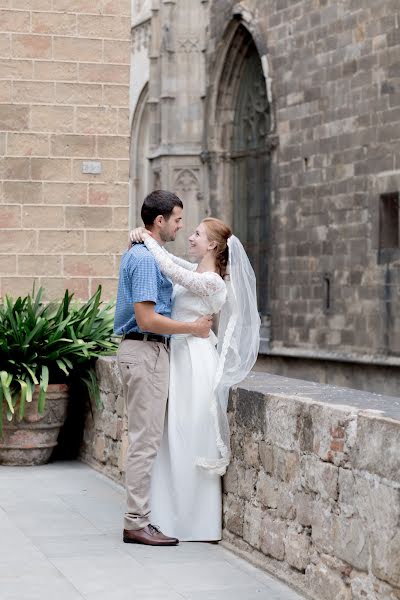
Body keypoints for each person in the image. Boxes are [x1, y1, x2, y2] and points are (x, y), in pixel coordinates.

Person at [130, 216, 260, 541]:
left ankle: (192, 521)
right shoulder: (198, 271)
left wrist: (146, 239)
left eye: (197, 234)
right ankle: (165, 515)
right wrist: (148, 238)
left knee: (186, 434)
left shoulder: (213, 281)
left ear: (213, 244)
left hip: (194, 360)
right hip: (180, 355)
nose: (190, 237)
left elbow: (171, 270)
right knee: (170, 436)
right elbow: (172, 261)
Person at [114, 190, 213, 547]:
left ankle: (141, 516)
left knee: (146, 438)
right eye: (177, 220)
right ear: (160, 221)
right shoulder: (143, 260)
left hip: (146, 352)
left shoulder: (148, 253)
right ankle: (136, 522)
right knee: (145, 441)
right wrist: (194, 329)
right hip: (145, 351)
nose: (180, 227)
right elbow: (146, 318)